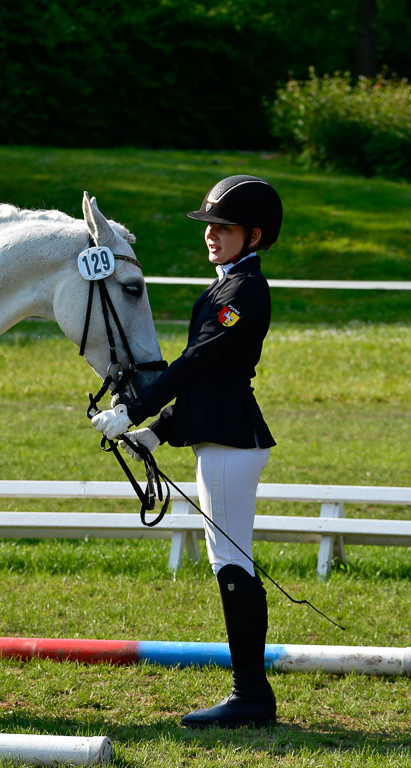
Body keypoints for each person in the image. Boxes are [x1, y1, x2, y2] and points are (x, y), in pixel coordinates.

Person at [91, 174, 283, 729]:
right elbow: (209, 381)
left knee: (232, 565)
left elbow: (196, 366)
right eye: (210, 227)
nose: (212, 236)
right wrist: (158, 431)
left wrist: (136, 410)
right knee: (232, 563)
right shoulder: (226, 288)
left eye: (224, 228)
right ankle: (251, 692)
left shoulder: (243, 293)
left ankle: (250, 695)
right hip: (219, 435)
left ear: (254, 234)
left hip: (229, 443)